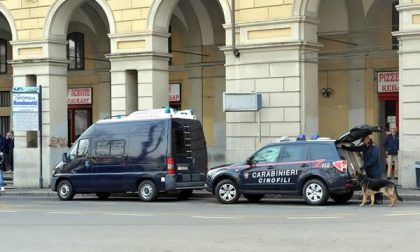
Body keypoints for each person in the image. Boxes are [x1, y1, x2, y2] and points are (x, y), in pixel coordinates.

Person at [343, 134, 383, 204]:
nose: (363, 142)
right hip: (369, 170)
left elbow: (374, 158)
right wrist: (347, 148)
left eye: (364, 140)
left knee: (377, 185)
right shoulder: (365, 146)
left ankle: (379, 199)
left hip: (375, 170)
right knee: (371, 186)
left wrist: (366, 165)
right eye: (363, 141)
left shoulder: (374, 146)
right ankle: (372, 200)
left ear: (367, 139)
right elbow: (357, 149)